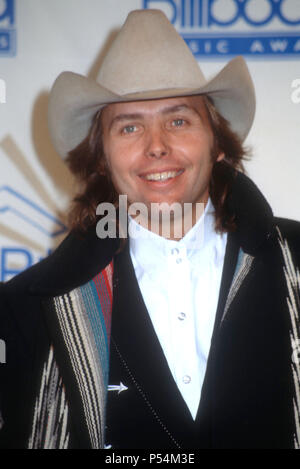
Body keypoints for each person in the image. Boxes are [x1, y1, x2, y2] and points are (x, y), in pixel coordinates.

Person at [0, 9, 300, 450]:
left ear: (217, 143)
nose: (156, 145)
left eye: (178, 120)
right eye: (130, 126)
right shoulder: (29, 311)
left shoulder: (295, 259)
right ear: (101, 157)